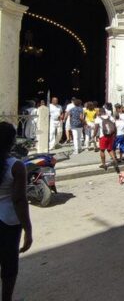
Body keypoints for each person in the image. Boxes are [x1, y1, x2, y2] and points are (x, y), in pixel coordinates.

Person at [0, 122, 33, 301]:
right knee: (9, 266)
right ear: (12, 142)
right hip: (8, 222)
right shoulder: (16, 166)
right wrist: (28, 229)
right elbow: (19, 200)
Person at [94, 108, 120, 173]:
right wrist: (115, 135)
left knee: (102, 150)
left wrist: (93, 136)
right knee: (110, 149)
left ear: (99, 112)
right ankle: (114, 160)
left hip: (103, 137)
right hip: (110, 136)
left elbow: (96, 129)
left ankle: (104, 164)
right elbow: (115, 127)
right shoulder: (111, 117)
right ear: (105, 112)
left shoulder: (98, 119)